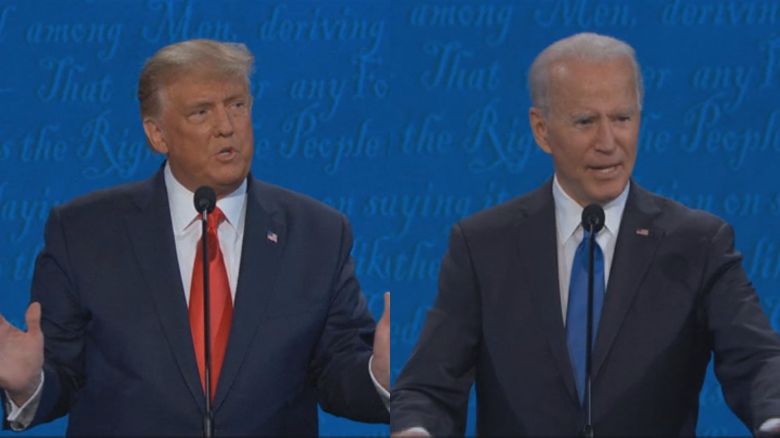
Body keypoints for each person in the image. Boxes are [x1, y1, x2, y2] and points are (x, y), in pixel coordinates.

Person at [390, 33, 780, 436]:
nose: (608, 143)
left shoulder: (698, 244)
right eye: (585, 122)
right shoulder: (483, 245)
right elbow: (428, 388)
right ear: (541, 129)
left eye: (622, 118)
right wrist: (416, 429)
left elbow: (758, 361)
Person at [0, 39, 390, 435]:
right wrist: (28, 386)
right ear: (158, 135)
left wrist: (380, 375)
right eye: (201, 112)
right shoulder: (84, 232)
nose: (226, 126)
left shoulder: (318, 233)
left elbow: (339, 368)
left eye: (237, 105)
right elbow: (61, 371)